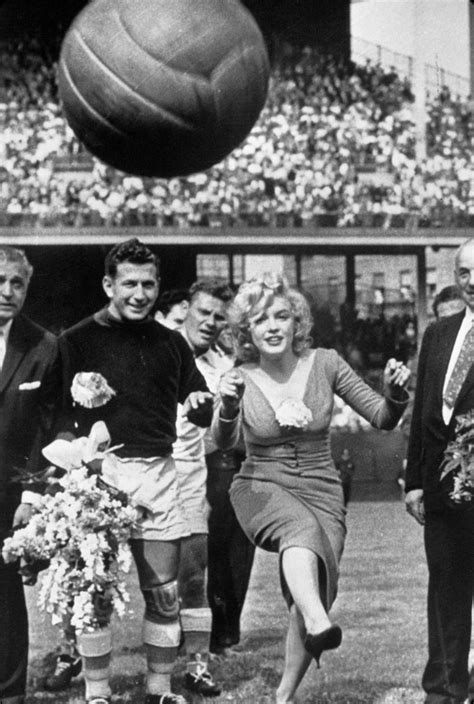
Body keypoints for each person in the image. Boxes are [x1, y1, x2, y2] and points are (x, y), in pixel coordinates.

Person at [211, 272, 411, 704]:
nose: (273, 327)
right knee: (300, 532)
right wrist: (226, 407)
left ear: (296, 322)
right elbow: (224, 445)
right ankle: (321, 623)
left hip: (323, 487)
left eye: (282, 316)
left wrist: (395, 395)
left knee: (316, 585)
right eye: (261, 319)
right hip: (261, 485)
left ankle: (283, 696)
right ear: (246, 330)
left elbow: (381, 416)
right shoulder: (237, 378)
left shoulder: (326, 362)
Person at [59, 239, 215, 704]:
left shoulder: (172, 343)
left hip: (158, 472)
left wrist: (203, 404)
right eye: (129, 283)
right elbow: (56, 416)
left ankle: (160, 689)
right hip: (99, 475)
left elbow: (198, 403)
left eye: (149, 284)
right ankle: (97, 693)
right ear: (109, 284)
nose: (140, 293)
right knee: (95, 592)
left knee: (164, 594)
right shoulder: (76, 340)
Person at [405, 239, 474, 704]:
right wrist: (413, 481)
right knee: (445, 588)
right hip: (440, 487)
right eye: (466, 273)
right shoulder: (439, 332)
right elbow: (424, 411)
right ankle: (444, 689)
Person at [0, 246, 61, 704]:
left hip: (11, 495)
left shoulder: (43, 346)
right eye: (0, 281)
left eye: (16, 283)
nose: (7, 292)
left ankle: (10, 693)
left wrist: (32, 497)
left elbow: (49, 427)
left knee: (4, 600)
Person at [170, 280, 233, 694]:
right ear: (186, 310)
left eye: (218, 317)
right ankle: (77, 658)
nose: (209, 322)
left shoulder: (222, 368)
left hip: (190, 475)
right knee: (103, 571)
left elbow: (218, 437)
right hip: (135, 471)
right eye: (203, 313)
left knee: (193, 576)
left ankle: (196, 666)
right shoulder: (154, 347)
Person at [206, 324, 256, 656]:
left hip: (247, 470)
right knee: (215, 554)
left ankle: (229, 631)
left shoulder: (257, 376)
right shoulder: (208, 368)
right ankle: (214, 630)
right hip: (214, 469)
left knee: (240, 556)